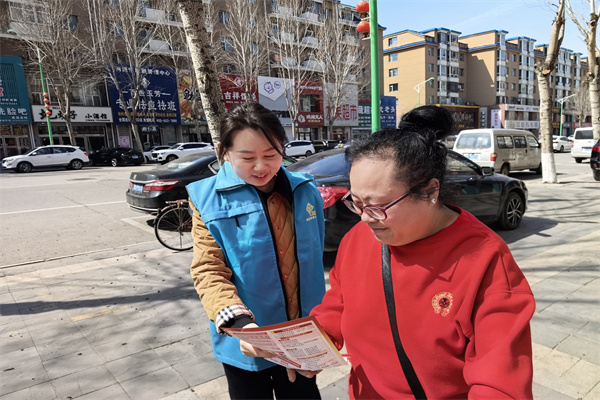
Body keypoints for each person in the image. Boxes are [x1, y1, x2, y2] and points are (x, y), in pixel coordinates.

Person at [310, 105, 535, 399]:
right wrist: (309, 344)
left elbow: (500, 379)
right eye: (357, 203)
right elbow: (338, 303)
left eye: (378, 206)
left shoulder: (484, 259)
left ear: (429, 191)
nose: (364, 218)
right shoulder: (357, 239)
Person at [186, 102, 326, 399]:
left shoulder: (305, 190)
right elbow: (208, 270)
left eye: (271, 155)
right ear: (224, 151)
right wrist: (241, 325)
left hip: (300, 335)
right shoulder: (206, 198)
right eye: (247, 158)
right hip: (245, 338)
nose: (261, 167)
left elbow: (315, 261)